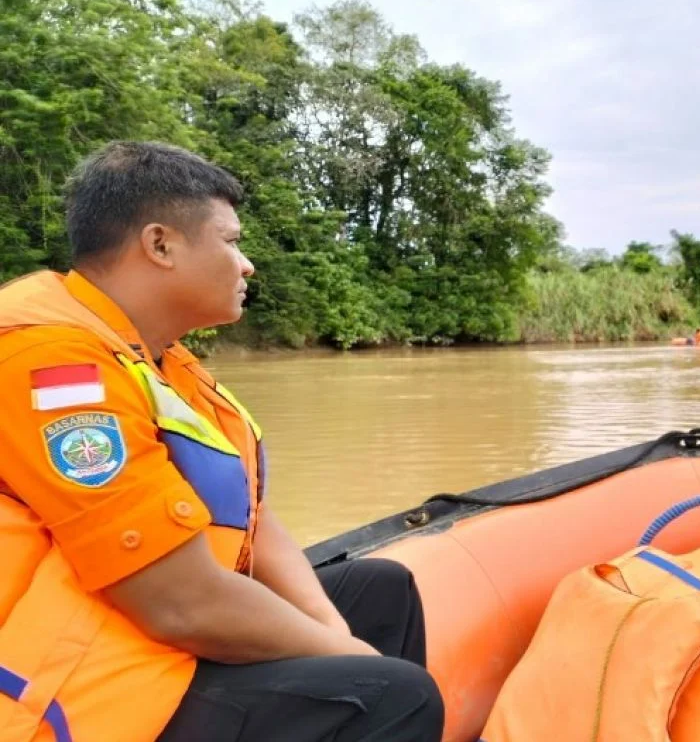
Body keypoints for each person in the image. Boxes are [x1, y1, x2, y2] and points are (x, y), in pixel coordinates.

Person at [0, 142, 444, 742]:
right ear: (160, 245)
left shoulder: (158, 357)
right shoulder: (53, 368)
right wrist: (363, 663)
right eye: (231, 240)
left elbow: (251, 514)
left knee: (381, 588)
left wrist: (337, 637)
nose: (247, 263)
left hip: (136, 627)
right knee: (394, 694)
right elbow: (178, 604)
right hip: (78, 679)